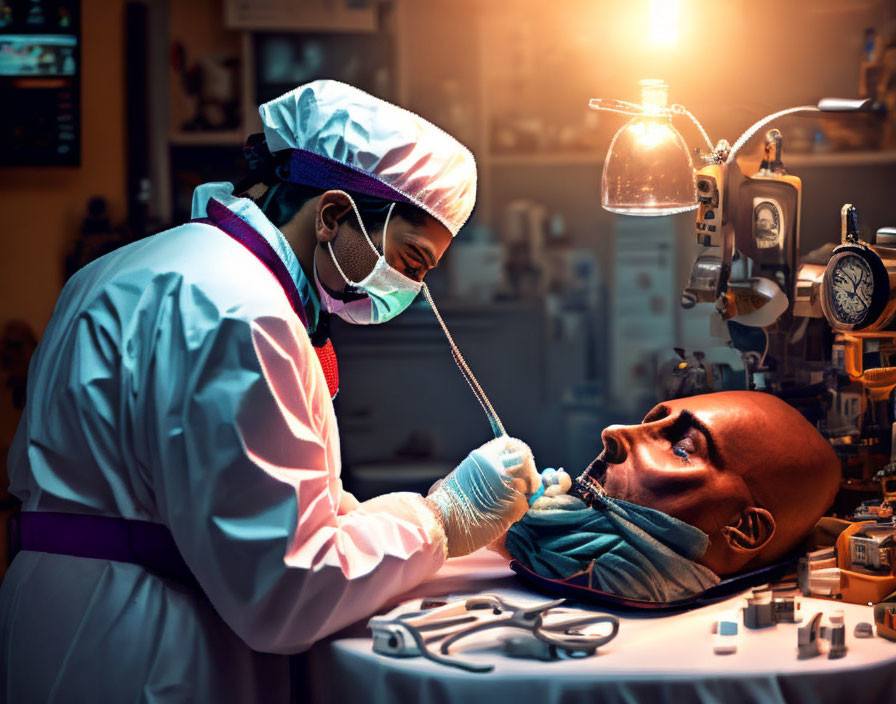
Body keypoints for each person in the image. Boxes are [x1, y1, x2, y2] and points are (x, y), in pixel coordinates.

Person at [0, 80, 538, 702]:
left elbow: (276, 519)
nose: (409, 291)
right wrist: (441, 521)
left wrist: (450, 514)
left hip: (60, 620)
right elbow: (285, 590)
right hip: (145, 649)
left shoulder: (130, 268)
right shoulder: (243, 310)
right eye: (410, 263)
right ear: (334, 215)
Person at [506, 391, 841, 602]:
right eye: (647, 424)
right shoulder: (518, 533)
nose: (614, 434)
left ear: (743, 528)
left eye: (681, 449)